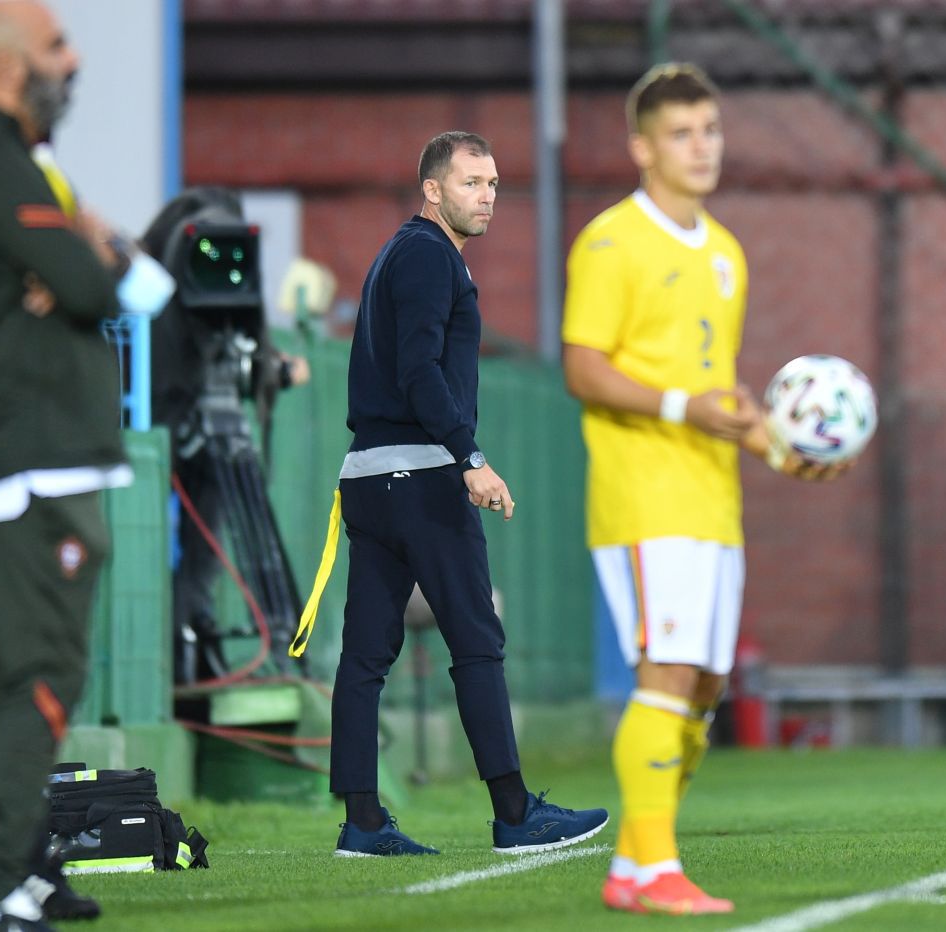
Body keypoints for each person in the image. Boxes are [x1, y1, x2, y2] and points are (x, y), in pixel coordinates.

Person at [562, 63, 838, 915]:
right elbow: (583, 367)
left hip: (714, 501)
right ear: (643, 147)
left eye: (711, 130)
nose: (701, 146)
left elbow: (720, 393)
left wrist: (786, 451)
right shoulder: (611, 241)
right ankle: (658, 870)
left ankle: (633, 870)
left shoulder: (725, 254)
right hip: (646, 496)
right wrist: (684, 407)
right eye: (682, 133)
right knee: (669, 672)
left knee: (705, 688)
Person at [325, 130, 607, 856]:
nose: (486, 196)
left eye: (492, 184)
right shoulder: (427, 254)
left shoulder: (399, 253)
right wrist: (470, 456)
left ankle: (361, 820)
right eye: (471, 182)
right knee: (477, 643)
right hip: (421, 476)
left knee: (364, 656)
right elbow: (421, 370)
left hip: (369, 477)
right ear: (432, 190)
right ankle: (516, 814)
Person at [0, 2, 132, 928]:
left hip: (12, 466)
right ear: (13, 68)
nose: (76, 56)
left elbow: (86, 280)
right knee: (38, 677)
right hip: (27, 469)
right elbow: (102, 283)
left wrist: (72, 264)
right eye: (57, 45)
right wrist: (80, 253)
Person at [140, 186, 311, 684]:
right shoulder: (160, 291)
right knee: (185, 543)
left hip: (173, 420)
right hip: (168, 419)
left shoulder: (160, 262)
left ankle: (192, 634)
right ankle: (194, 640)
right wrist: (272, 372)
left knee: (199, 544)